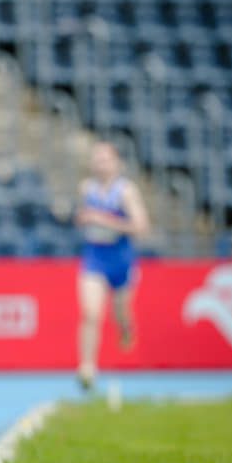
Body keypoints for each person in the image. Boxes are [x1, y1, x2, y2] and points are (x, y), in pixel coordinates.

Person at [75, 140, 150, 391]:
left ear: (117, 163)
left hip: (120, 259)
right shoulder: (86, 188)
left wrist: (104, 220)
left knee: (120, 313)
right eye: (97, 159)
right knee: (90, 313)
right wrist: (84, 220)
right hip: (95, 257)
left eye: (105, 159)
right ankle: (87, 368)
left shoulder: (125, 191)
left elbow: (141, 227)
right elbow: (83, 219)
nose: (100, 164)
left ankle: (126, 328)